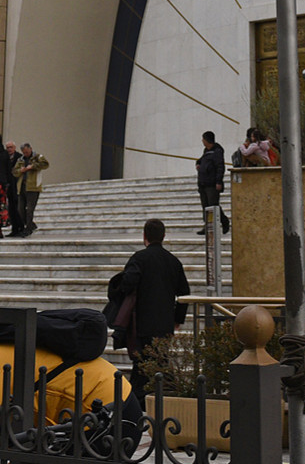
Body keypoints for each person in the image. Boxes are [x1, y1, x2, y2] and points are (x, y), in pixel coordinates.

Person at [110, 219, 190, 407]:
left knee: (143, 362)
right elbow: (184, 293)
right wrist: (178, 318)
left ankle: (135, 402)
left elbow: (127, 283)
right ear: (163, 236)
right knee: (158, 359)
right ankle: (160, 397)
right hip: (164, 323)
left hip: (142, 322)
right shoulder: (173, 261)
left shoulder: (139, 258)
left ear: (144, 236)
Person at [195, 131, 229, 235]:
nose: (202, 141)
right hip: (203, 183)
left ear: (207, 140)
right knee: (205, 206)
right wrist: (198, 163)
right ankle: (207, 226)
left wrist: (219, 181)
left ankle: (224, 222)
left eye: (203, 139)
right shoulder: (206, 151)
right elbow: (200, 160)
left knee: (213, 205)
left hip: (212, 184)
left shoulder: (217, 151)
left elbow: (220, 167)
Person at [13, 142, 48, 237]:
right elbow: (14, 172)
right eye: (24, 152)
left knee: (30, 209)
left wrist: (33, 166)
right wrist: (21, 170)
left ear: (31, 149)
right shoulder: (20, 160)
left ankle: (28, 229)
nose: (26, 154)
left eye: (27, 152)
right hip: (22, 187)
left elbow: (45, 164)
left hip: (33, 187)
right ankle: (31, 225)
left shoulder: (37, 157)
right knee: (20, 209)